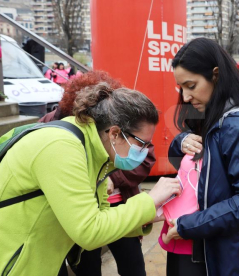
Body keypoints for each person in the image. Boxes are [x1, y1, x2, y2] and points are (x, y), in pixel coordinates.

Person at [0, 82, 182, 275]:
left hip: (34, 260)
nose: (145, 151)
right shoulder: (61, 147)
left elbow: (101, 214)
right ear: (115, 133)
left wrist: (148, 215)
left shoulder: (96, 152)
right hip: (4, 263)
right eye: (141, 143)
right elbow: (89, 231)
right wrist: (148, 200)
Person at [164, 38, 239, 276]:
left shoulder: (237, 126)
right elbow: (184, 168)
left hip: (212, 253)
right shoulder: (208, 116)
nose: (185, 97)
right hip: (189, 244)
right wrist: (180, 142)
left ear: (215, 75)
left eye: (191, 86)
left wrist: (190, 225)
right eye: (181, 88)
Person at [39, 71, 155, 276]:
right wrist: (149, 203)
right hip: (46, 239)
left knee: (133, 265)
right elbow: (90, 229)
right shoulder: (60, 141)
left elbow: (97, 220)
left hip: (116, 206)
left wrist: (112, 176)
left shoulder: (113, 136)